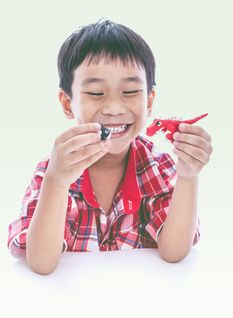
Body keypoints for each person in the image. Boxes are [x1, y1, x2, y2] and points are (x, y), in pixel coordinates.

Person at [7, 19, 213, 275]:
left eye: (129, 92)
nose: (114, 108)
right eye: (95, 93)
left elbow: (174, 251)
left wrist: (188, 176)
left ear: (149, 101)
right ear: (67, 103)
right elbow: (41, 263)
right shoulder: (52, 170)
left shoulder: (159, 168)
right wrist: (57, 182)